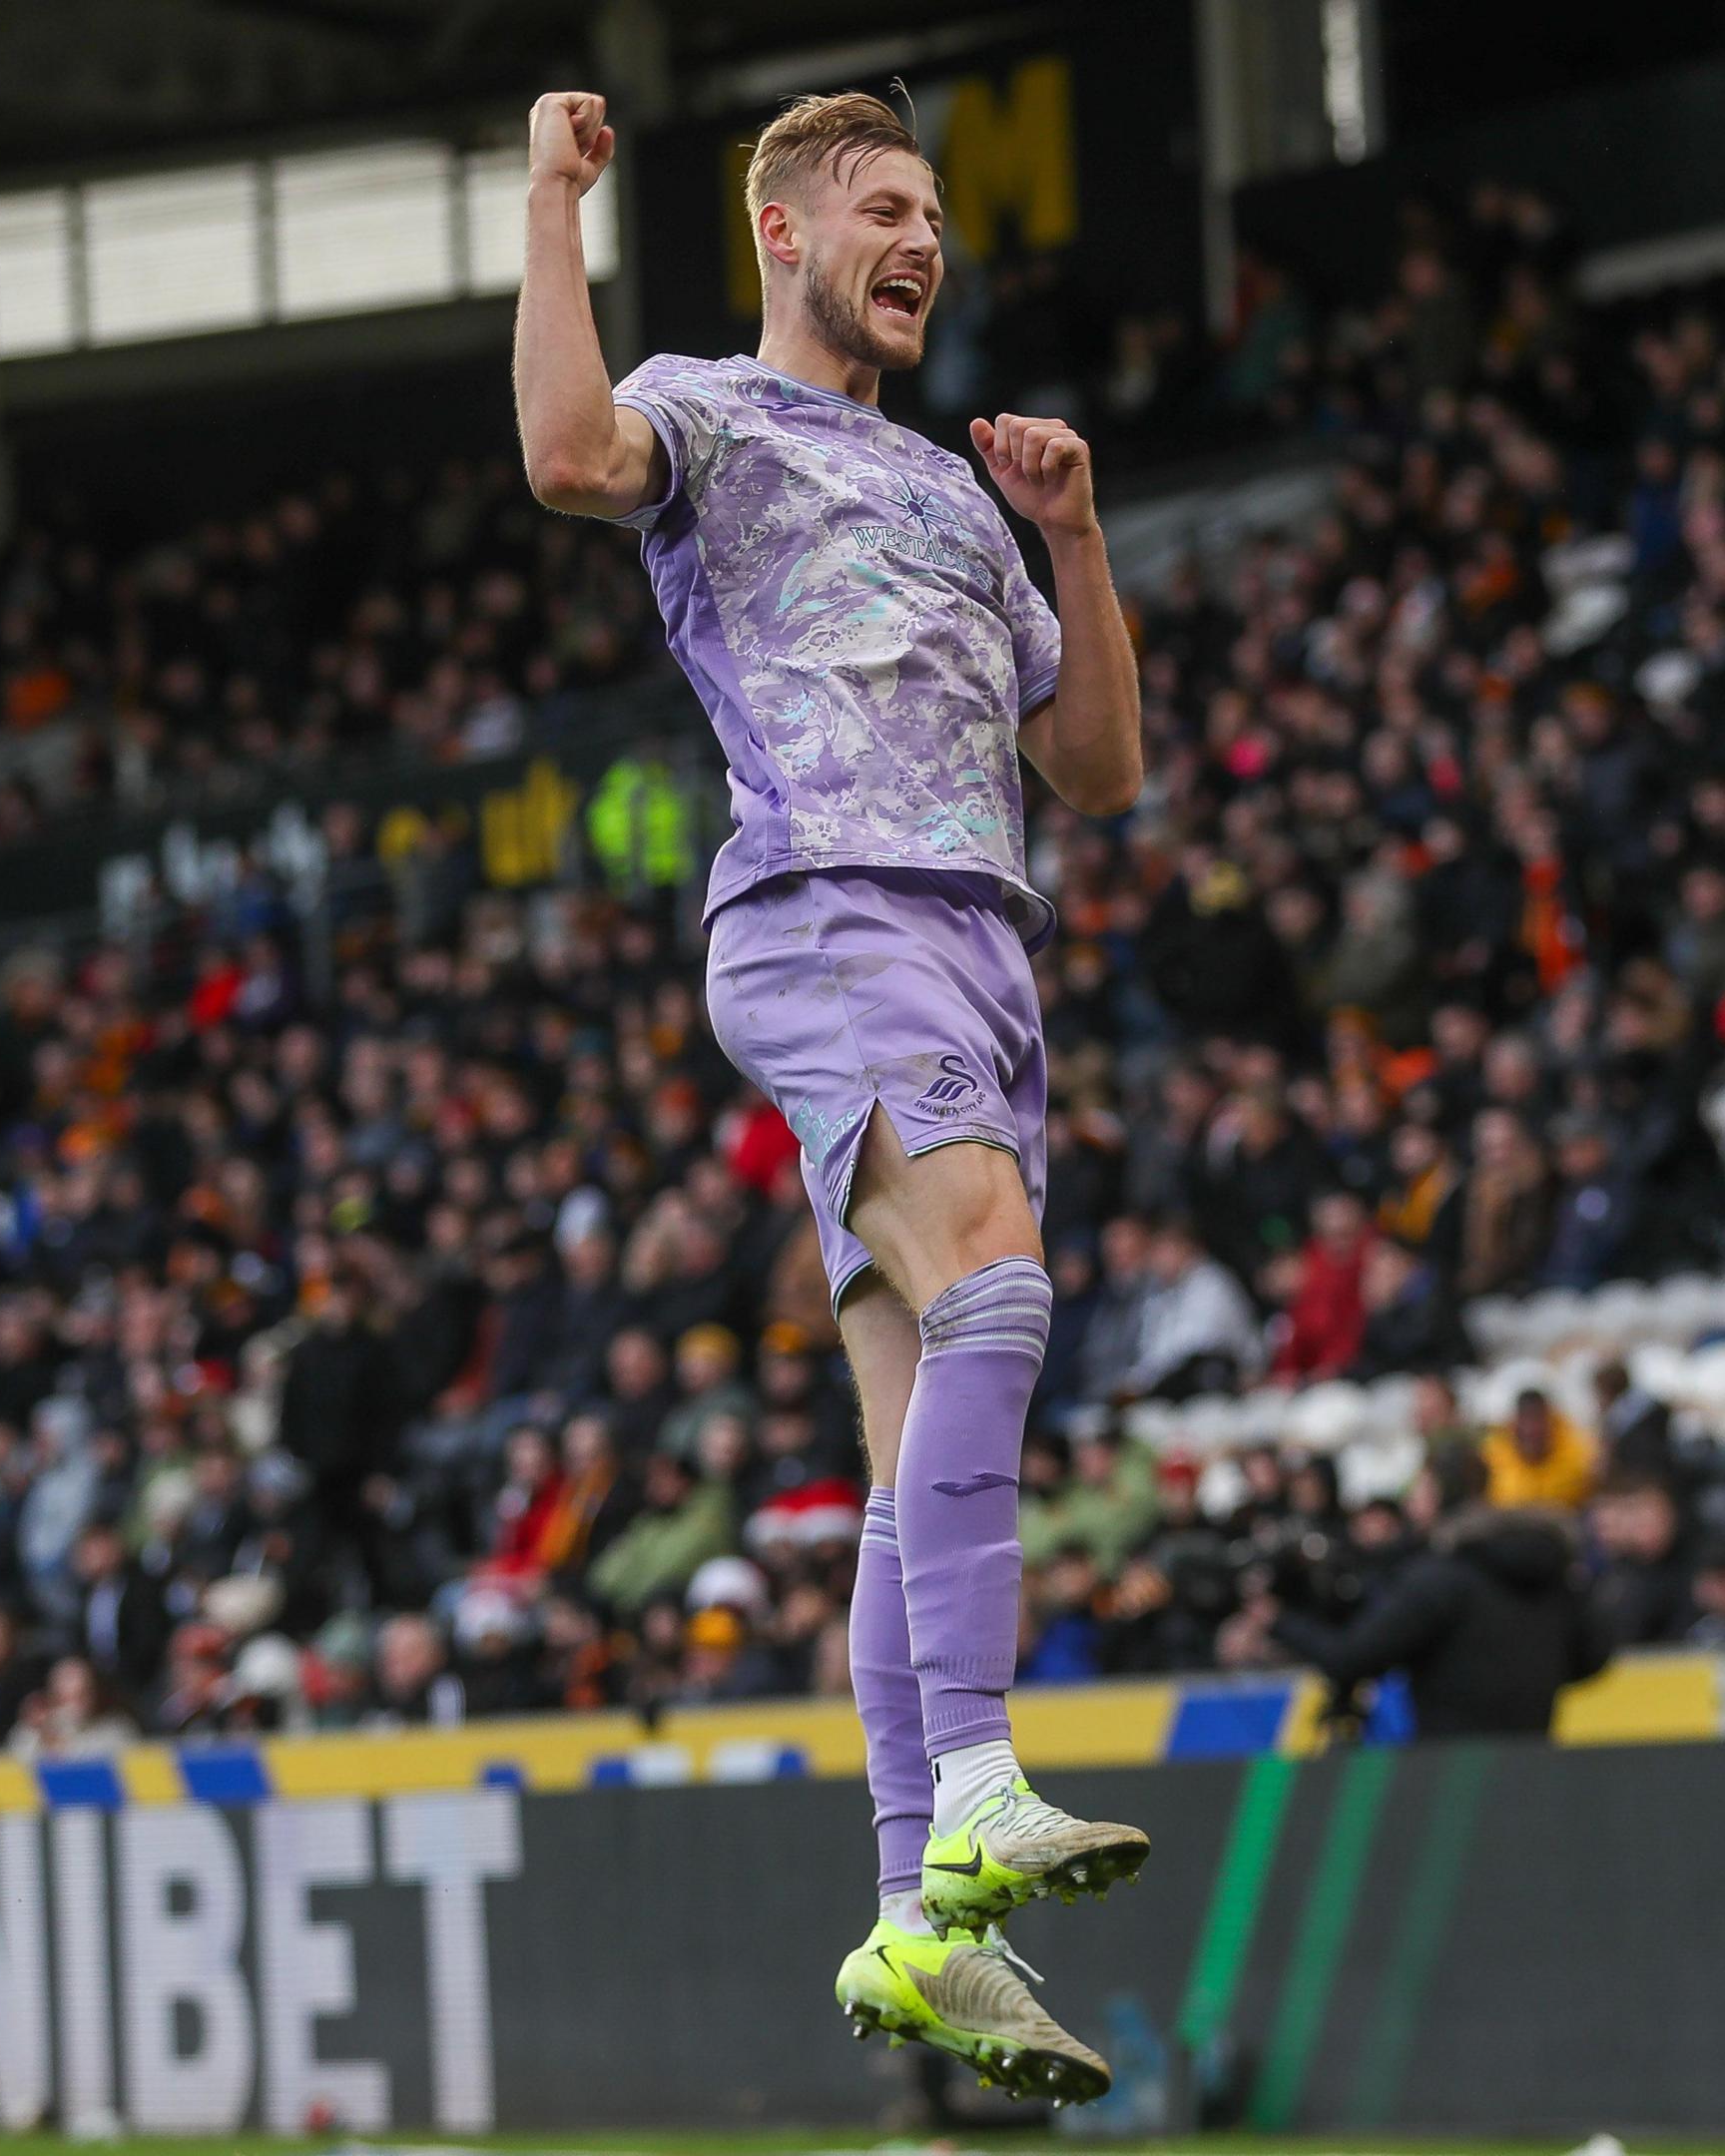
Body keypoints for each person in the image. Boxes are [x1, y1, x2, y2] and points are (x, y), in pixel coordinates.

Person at [516, 83, 1145, 2101]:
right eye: (887, 209)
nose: (925, 244)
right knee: (1002, 1288)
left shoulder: (963, 499)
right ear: (785, 234)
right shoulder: (710, 408)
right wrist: (549, 202)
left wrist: (1075, 533)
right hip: (831, 910)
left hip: (982, 938)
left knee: (913, 1447)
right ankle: (972, 1784)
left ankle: (917, 1926)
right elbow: (561, 452)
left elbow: (1102, 770)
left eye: (940, 220)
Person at [1272, 1446, 1611, 1738]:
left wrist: (1278, 1620)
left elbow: (1351, 1657)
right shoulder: (1550, 1568)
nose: (1411, 1503)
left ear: (1439, 1495)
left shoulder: (1440, 1577)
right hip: (1533, 1765)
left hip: (1451, 1770)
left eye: (1419, 1490)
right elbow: (1592, 1655)